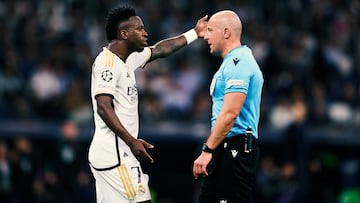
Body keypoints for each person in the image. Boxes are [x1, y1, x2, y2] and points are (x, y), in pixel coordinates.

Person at [88, 6, 207, 203]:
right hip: (117, 156)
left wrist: (195, 33)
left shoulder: (128, 58)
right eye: (140, 28)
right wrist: (131, 141)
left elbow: (161, 49)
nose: (146, 33)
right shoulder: (106, 63)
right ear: (124, 33)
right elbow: (103, 106)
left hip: (115, 154)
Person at [193, 10, 264, 203]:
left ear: (226, 32)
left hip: (235, 146)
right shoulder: (232, 62)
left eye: (210, 31)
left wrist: (207, 150)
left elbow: (231, 113)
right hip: (224, 146)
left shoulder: (238, 62)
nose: (206, 36)